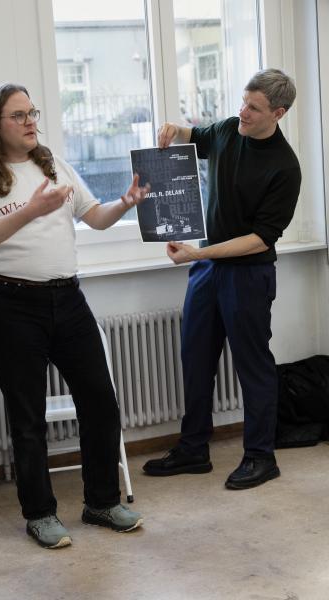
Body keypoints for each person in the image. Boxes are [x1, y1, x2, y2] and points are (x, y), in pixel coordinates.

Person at [0, 82, 149, 548]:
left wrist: (124, 204)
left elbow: (94, 216)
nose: (30, 122)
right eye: (18, 115)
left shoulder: (54, 164)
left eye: (32, 113)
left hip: (67, 299)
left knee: (100, 401)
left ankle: (101, 502)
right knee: (28, 417)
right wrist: (30, 210)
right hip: (9, 305)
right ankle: (40, 514)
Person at [143, 69, 301, 489]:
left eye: (254, 108)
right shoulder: (229, 130)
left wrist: (200, 252)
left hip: (248, 274)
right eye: (243, 102)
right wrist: (172, 129)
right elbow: (192, 135)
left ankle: (261, 456)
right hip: (206, 270)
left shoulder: (285, 167)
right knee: (195, 359)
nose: (242, 112)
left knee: (253, 366)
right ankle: (194, 449)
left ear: (278, 113)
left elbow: (259, 240)